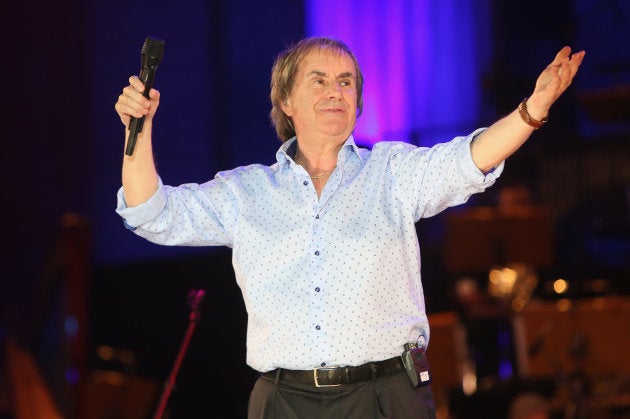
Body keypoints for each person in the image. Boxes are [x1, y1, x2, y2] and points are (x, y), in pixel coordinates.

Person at [114, 36, 584, 418]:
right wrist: (139, 129)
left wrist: (532, 109)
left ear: (358, 101)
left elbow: (468, 158)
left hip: (384, 395)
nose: (334, 91)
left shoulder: (392, 173)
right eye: (318, 80)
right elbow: (152, 213)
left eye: (345, 82)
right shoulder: (246, 193)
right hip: (284, 401)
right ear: (285, 98)